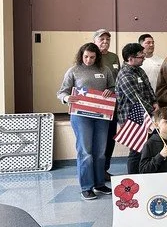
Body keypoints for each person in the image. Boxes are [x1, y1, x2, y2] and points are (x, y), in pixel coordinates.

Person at [57, 43, 115, 200]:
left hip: (102, 116)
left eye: (92, 57)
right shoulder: (74, 71)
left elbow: (113, 87)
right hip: (81, 117)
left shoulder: (105, 70)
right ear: (81, 55)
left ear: (97, 57)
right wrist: (67, 98)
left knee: (100, 152)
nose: (89, 60)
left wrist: (111, 91)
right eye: (86, 57)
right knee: (86, 152)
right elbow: (62, 92)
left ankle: (99, 184)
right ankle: (86, 187)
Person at [115, 43, 158, 174]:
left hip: (147, 114)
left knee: (147, 148)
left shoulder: (140, 70)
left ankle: (145, 174)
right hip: (132, 117)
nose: (144, 58)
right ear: (130, 58)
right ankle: (133, 178)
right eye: (141, 56)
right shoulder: (125, 75)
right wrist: (153, 109)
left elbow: (149, 89)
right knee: (137, 149)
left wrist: (155, 102)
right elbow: (136, 98)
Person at [93, 29, 120, 181]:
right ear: (95, 41)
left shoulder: (114, 57)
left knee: (110, 138)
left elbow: (118, 78)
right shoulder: (91, 56)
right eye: (101, 39)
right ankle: (95, 171)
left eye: (107, 39)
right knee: (98, 140)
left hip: (112, 104)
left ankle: (104, 170)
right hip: (96, 105)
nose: (105, 42)